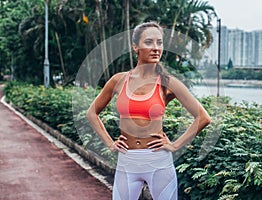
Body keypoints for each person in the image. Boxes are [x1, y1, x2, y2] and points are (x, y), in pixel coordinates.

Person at [86, 21, 211, 200]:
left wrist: (175, 145)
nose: (155, 48)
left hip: (158, 162)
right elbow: (91, 113)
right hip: (127, 161)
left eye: (159, 43)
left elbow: (203, 117)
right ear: (135, 47)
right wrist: (110, 143)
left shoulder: (168, 82)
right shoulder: (119, 81)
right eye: (149, 42)